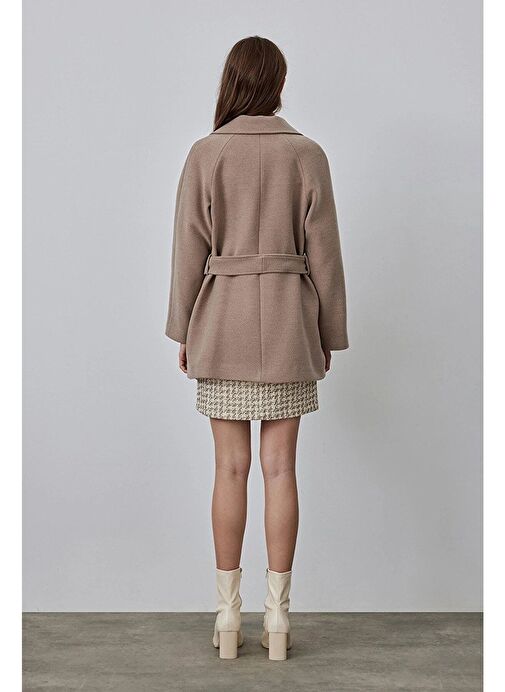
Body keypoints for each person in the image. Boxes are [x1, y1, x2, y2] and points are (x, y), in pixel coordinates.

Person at [166, 35, 348, 661]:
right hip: (291, 327)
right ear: (278, 84)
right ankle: (277, 618)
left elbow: (188, 248)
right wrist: (328, 334)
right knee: (281, 469)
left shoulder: (206, 153)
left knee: (229, 469)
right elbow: (326, 256)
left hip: (222, 323)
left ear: (231, 81)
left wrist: (184, 329)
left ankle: (227, 616)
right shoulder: (308, 154)